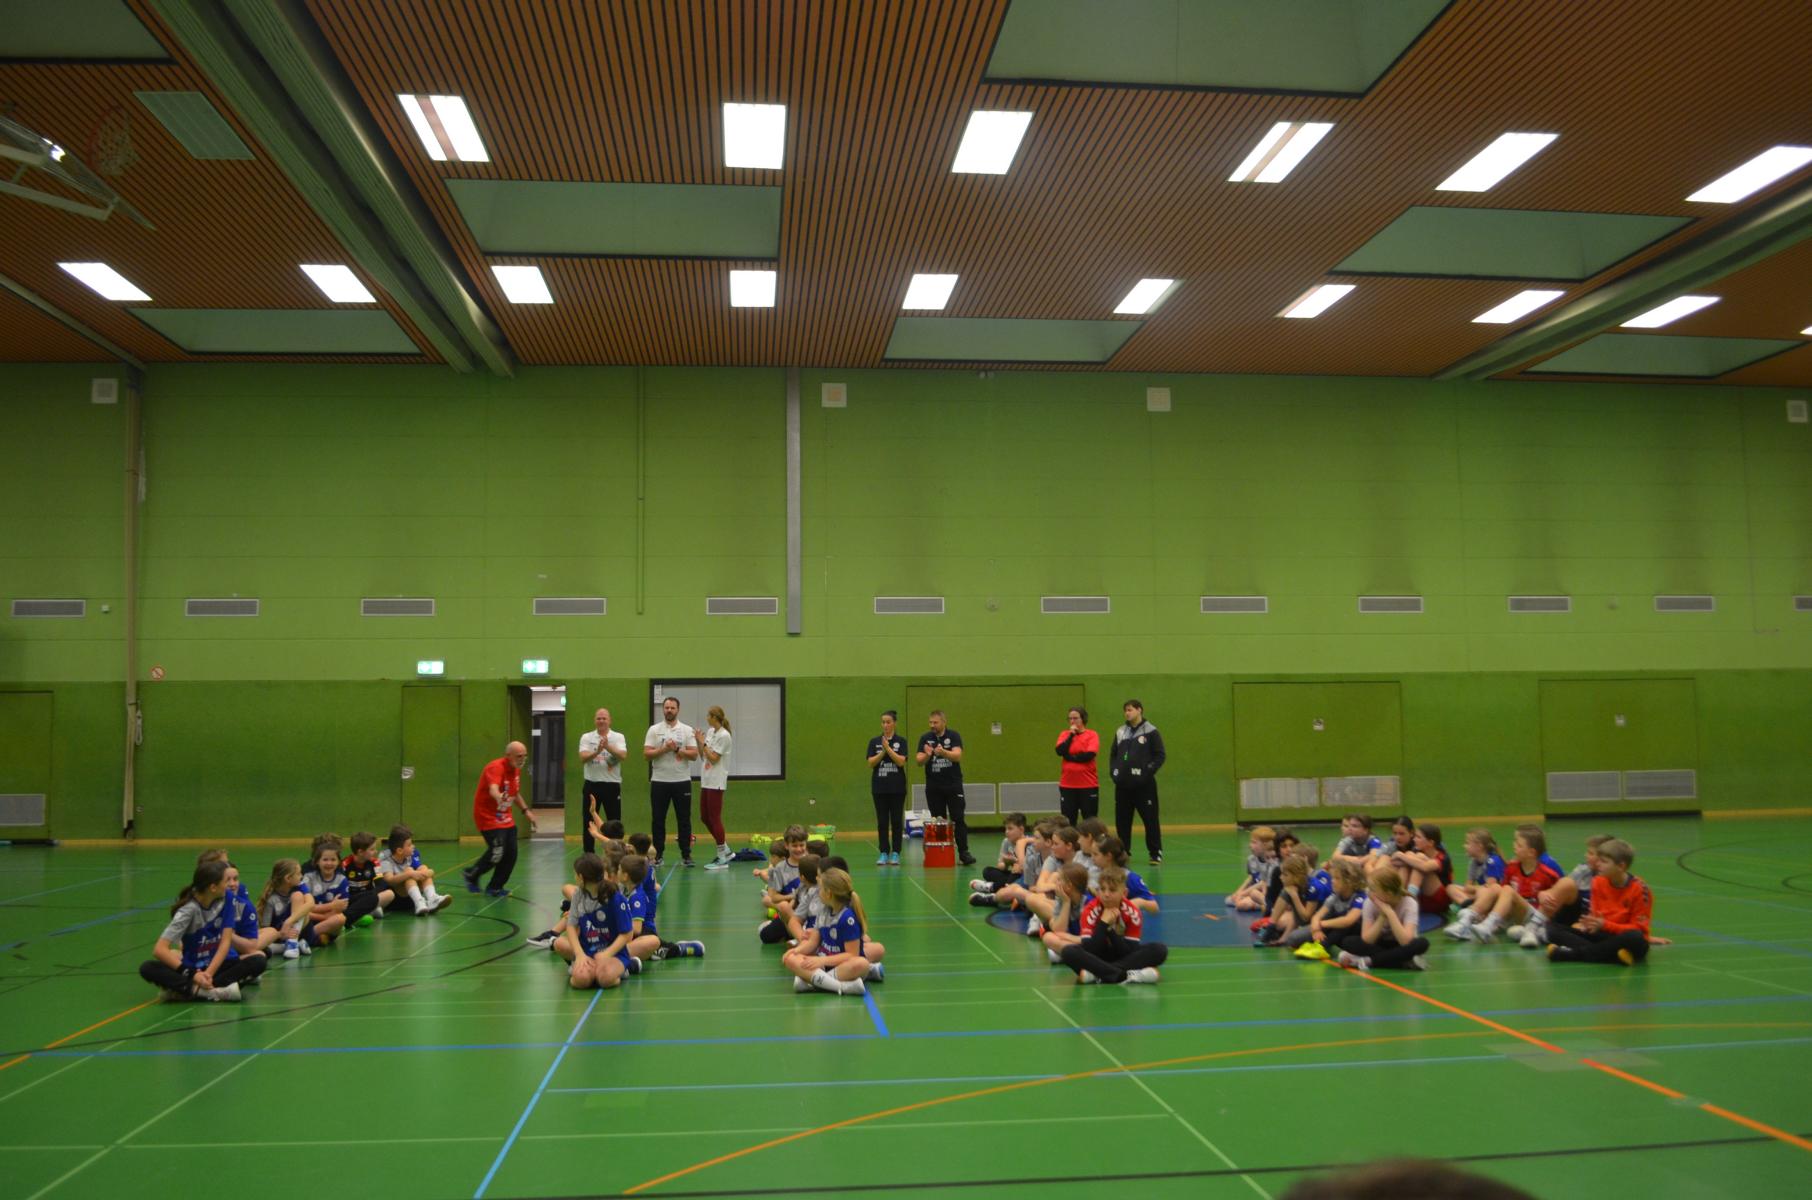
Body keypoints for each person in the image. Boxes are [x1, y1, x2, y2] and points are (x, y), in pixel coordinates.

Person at [138, 860, 266, 1002]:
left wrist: (208, 975)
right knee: (148, 968)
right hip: (193, 968)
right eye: (226, 881)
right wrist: (194, 975)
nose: (230, 885)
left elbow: (225, 942)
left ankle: (190, 990)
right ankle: (209, 992)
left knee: (259, 961)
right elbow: (159, 950)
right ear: (213, 887)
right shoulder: (188, 911)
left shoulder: (228, 898)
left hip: (219, 966)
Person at [1548, 838, 1652, 966]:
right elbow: (1596, 916)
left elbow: (1639, 929)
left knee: (1635, 937)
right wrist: (1590, 924)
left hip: (1625, 938)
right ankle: (1614, 957)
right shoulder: (1598, 881)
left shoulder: (1640, 889)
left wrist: (1605, 925)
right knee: (1552, 929)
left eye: (1604, 861)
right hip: (1604, 935)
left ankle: (1573, 954)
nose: (1598, 864)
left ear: (1621, 866)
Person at [1061, 866, 1166, 985]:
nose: (1106, 894)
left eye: (1112, 890)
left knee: (1159, 950)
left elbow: (1129, 952)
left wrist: (1111, 931)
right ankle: (1127, 975)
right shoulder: (1089, 910)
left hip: (1121, 958)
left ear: (1124, 893)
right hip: (1096, 957)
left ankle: (1098, 975)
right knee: (1068, 952)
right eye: (1102, 889)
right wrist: (1103, 923)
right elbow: (1090, 950)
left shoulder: (1132, 912)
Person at [784, 867, 880, 995]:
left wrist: (822, 961)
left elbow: (851, 955)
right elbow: (814, 942)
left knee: (862, 964)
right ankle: (841, 986)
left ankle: (817, 984)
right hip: (822, 965)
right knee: (791, 958)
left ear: (828, 893)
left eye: (820, 889)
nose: (818, 892)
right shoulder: (823, 910)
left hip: (843, 965)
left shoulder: (847, 918)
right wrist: (796, 951)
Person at [463, 741, 536, 896]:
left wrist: (526, 811)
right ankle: (472, 874)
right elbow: (493, 789)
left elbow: (515, 793)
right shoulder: (495, 767)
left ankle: (495, 886)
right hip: (487, 816)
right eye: (519, 756)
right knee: (497, 851)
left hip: (505, 817)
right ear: (508, 755)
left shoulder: (516, 770)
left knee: (511, 853)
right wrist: (498, 797)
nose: (522, 759)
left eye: (524, 756)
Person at [559, 853, 633, 991]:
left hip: (614, 954)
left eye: (575, 874)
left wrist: (607, 954)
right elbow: (571, 927)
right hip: (587, 952)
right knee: (581, 980)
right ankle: (582, 969)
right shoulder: (578, 896)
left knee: (605, 978)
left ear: (581, 877)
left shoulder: (615, 898)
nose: (574, 877)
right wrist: (579, 954)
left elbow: (627, 934)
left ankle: (622, 970)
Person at [1337, 867, 1430, 971]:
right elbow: (1367, 940)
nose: (1369, 893)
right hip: (1379, 944)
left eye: (1373, 890)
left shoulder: (1409, 903)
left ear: (1388, 894)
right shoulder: (1369, 903)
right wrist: (1382, 916)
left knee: (1422, 943)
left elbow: (1405, 941)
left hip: (1399, 944)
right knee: (1348, 941)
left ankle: (1368, 961)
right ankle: (1402, 960)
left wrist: (1390, 913)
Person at [643, 697, 699, 867]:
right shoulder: (654, 730)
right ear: (663, 709)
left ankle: (686, 855)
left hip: (681, 781)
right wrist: (664, 749)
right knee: (658, 819)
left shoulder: (687, 730)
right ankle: (658, 855)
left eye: (672, 708)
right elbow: (647, 754)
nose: (669, 710)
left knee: (684, 819)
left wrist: (676, 749)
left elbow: (694, 755)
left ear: (678, 710)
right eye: (666, 707)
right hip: (659, 781)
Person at [1108, 699, 1165, 864]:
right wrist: (1114, 772)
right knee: (1122, 821)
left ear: (1139, 710)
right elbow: (1113, 754)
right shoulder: (1120, 731)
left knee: (1150, 819)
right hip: (1123, 786)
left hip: (1144, 786)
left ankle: (1155, 852)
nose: (1127, 713)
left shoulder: (1151, 731)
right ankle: (1123, 852)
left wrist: (1147, 771)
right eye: (1125, 710)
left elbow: (1160, 755)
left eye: (1130, 709)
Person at [916, 709, 974, 865]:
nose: (932, 725)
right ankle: (941, 853)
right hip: (934, 787)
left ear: (943, 722)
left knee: (958, 818)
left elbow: (957, 756)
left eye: (935, 722)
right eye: (930, 722)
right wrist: (928, 754)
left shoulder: (953, 736)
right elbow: (919, 761)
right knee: (938, 821)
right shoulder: (925, 738)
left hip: (953, 785)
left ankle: (963, 853)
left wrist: (943, 752)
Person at [577, 708, 628, 854]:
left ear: (609, 720)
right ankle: (589, 854)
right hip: (591, 785)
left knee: (614, 823)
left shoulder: (618, 737)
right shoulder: (587, 737)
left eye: (604, 718)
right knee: (589, 821)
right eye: (599, 718)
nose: (601, 721)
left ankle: (616, 853)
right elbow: (583, 758)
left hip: (611, 785)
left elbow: (623, 755)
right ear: (595, 720)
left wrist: (607, 747)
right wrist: (597, 751)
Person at [376, 824, 452, 915]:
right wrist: (410, 874)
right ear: (399, 850)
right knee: (409, 872)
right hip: (394, 898)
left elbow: (424, 871)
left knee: (423, 868)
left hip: (409, 897)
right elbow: (390, 880)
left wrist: (428, 872)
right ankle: (419, 903)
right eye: (409, 845)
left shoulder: (411, 854)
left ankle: (432, 899)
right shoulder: (385, 857)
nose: (413, 846)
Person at [867, 710, 909, 866]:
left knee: (896, 821)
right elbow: (871, 763)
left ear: (894, 723)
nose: (885, 725)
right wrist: (883, 750)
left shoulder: (901, 741)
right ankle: (884, 852)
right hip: (879, 788)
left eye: (888, 722)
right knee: (882, 822)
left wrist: (889, 749)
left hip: (897, 788)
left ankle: (896, 853)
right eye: (883, 722)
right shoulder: (874, 742)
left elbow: (901, 762)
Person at [698, 706, 735, 868]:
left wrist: (703, 743)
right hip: (706, 780)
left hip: (716, 781)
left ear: (715, 717)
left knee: (714, 818)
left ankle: (722, 858)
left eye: (709, 715)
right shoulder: (711, 732)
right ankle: (726, 849)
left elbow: (713, 758)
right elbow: (703, 755)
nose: (707, 718)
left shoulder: (724, 736)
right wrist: (699, 742)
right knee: (705, 817)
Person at [1055, 707, 1099, 824]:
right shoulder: (1064, 734)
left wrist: (1070, 757)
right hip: (1067, 785)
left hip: (1088, 785)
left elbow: (1089, 755)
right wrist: (1071, 736)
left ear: (1083, 719)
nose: (1072, 721)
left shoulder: (1092, 734)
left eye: (1075, 718)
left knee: (1090, 821)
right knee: (1068, 821)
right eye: (1070, 719)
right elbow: (1060, 751)